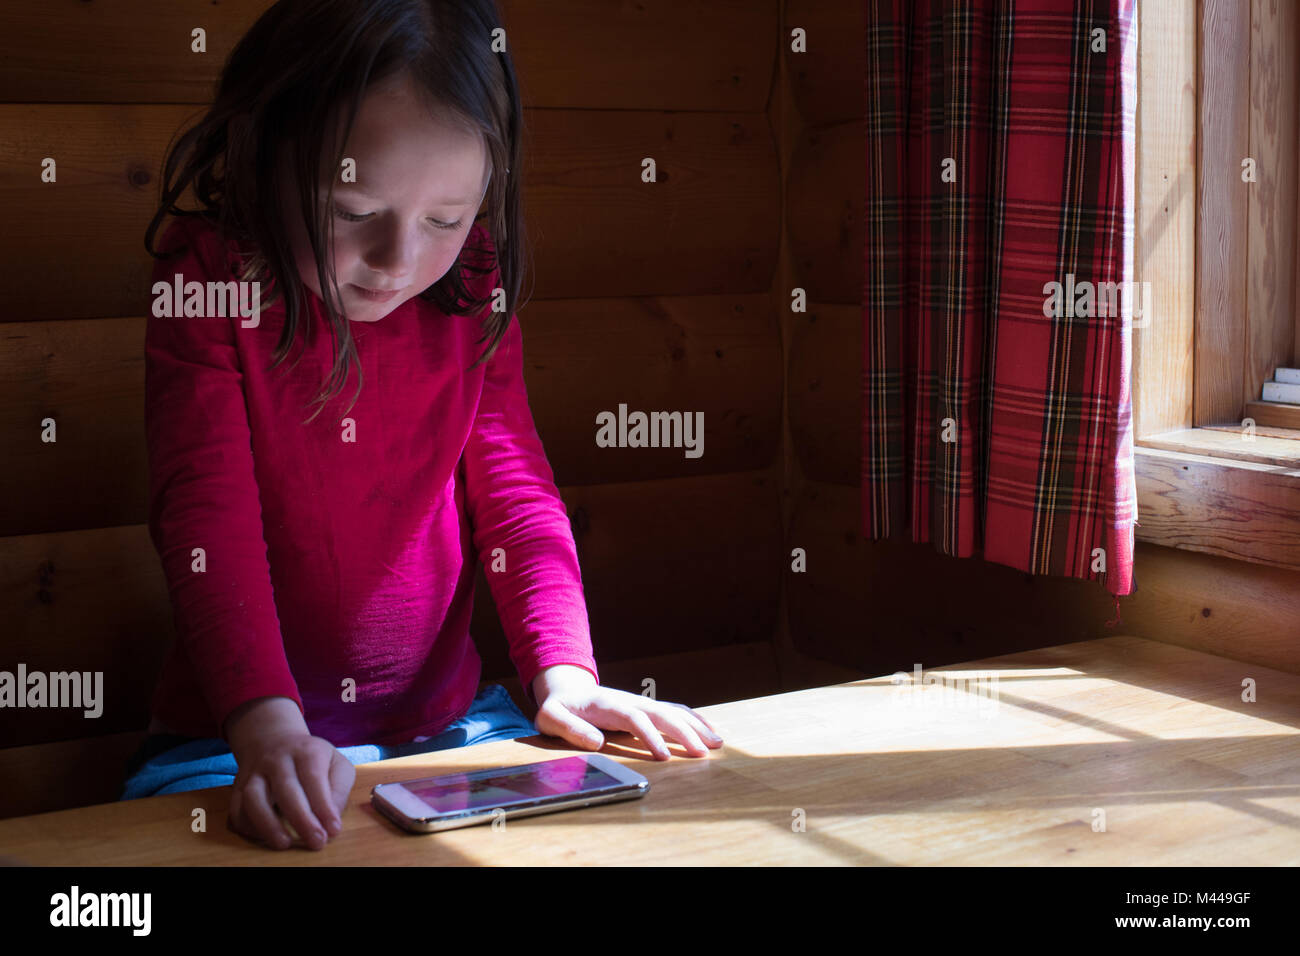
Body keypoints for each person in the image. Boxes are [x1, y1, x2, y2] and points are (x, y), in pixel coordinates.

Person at [122, 0, 723, 851]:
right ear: (265, 155)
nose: (397, 260)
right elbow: (205, 516)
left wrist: (564, 673)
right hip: (231, 739)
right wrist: (267, 727)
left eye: (446, 219)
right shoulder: (207, 277)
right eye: (352, 207)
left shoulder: (471, 284)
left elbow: (516, 492)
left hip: (450, 724)